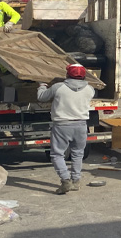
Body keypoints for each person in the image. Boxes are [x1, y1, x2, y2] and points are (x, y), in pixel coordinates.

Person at [37, 64, 96, 195]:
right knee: (77, 153)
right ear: (84, 75)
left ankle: (65, 180)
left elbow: (41, 97)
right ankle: (76, 181)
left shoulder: (58, 87)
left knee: (57, 154)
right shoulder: (90, 89)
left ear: (67, 74)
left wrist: (42, 85)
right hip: (81, 125)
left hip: (62, 125)